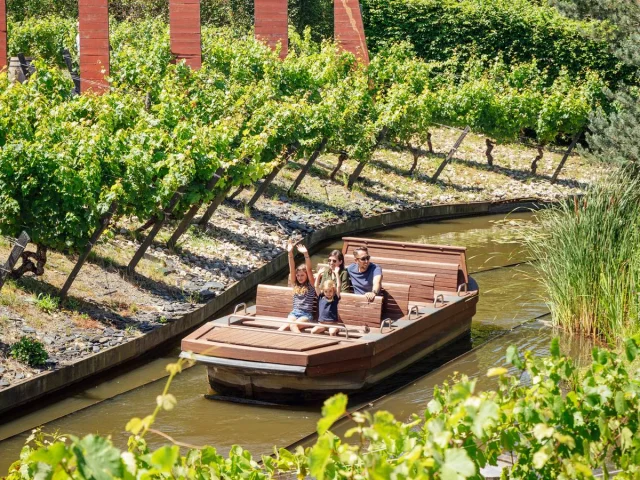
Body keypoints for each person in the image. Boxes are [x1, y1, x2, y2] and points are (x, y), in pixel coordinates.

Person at [279, 241, 316, 333]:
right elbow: (292, 268)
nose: (299, 277)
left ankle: (301, 342)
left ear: (306, 275)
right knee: (283, 328)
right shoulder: (295, 284)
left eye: (302, 275)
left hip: (306, 315)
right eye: (298, 275)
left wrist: (306, 254)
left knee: (293, 325)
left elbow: (309, 269)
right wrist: (290, 253)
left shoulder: (311, 285)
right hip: (294, 313)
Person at [311, 270, 342, 336]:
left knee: (332, 332)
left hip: (332, 324)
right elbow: (316, 286)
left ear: (333, 291)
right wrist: (319, 274)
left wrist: (336, 273)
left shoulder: (335, 298)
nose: (328, 293)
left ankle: (334, 344)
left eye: (330, 291)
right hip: (322, 324)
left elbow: (338, 286)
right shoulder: (321, 297)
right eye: (326, 291)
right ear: (323, 291)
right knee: (313, 331)